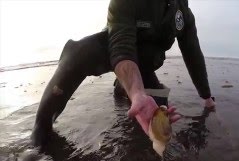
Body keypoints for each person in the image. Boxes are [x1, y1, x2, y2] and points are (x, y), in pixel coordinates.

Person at [31, 0, 215, 146]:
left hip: (146, 63)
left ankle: (123, 87)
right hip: (112, 47)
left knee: (157, 114)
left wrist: (206, 96)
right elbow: (122, 46)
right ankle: (41, 128)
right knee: (80, 53)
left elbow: (193, 53)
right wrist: (137, 92)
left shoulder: (183, 12)